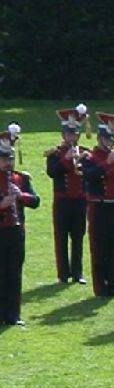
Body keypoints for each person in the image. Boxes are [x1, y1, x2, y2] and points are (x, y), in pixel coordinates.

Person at [81, 110, 114, 299]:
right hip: (100, 206)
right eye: (106, 139)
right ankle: (100, 286)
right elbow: (89, 177)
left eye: (112, 139)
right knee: (100, 247)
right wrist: (106, 163)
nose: (110, 143)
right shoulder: (89, 157)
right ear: (99, 138)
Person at [0, 126, 40, 326]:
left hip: (16, 232)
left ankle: (13, 315)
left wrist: (20, 196)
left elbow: (36, 201)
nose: (8, 163)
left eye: (11, 159)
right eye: (4, 159)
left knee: (14, 273)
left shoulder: (20, 178)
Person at [46, 105, 90, 284]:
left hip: (80, 200)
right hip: (62, 201)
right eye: (69, 134)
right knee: (61, 237)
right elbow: (52, 172)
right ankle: (63, 273)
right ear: (63, 135)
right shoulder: (55, 154)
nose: (72, 137)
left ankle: (78, 273)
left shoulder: (85, 152)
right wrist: (66, 159)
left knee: (78, 236)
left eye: (74, 134)